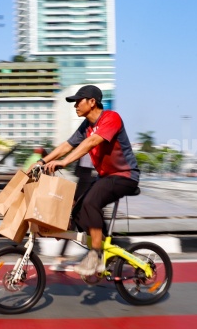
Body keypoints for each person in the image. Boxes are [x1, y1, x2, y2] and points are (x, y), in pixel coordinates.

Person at [38, 85, 140, 276]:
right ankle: (104, 248)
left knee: (92, 202)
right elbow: (66, 145)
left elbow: (92, 142)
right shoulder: (86, 126)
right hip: (106, 177)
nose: (75, 105)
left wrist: (64, 163)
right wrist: (42, 161)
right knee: (76, 210)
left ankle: (96, 254)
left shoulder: (111, 118)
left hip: (125, 176)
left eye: (78, 101)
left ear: (92, 102)